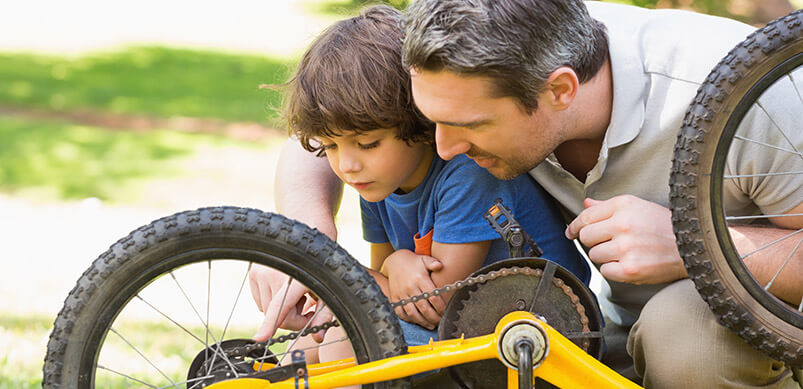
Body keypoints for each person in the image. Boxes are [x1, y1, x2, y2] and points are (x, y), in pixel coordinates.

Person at [272, 1, 802, 387]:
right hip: (587, 331)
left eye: (467, 125)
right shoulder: (469, 38)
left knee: (684, 334)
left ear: (560, 91)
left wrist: (697, 245)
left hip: (721, 324)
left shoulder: (752, 96)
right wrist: (308, 239)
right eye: (428, 120)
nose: (443, 147)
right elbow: (337, 110)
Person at [248, 4, 590, 363]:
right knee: (307, 343)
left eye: (368, 144)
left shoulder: (467, 175)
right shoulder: (376, 180)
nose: (347, 166)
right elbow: (383, 282)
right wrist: (393, 264)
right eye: (331, 146)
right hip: (468, 327)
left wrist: (334, 270)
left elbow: (434, 304)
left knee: (345, 338)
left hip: (540, 332)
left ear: (420, 121)